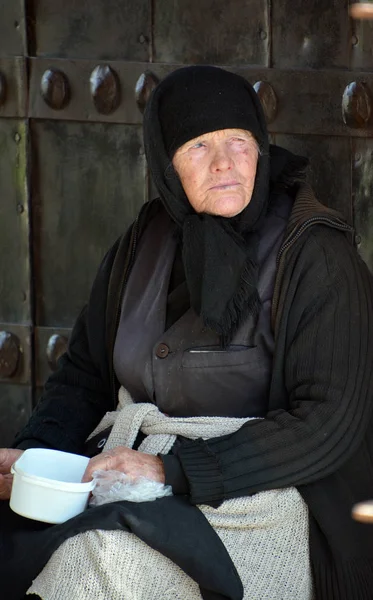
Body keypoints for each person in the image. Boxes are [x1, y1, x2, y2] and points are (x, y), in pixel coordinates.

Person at [1, 65, 373, 600]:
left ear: (262, 150)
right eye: (199, 145)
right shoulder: (142, 241)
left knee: (98, 568)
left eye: (239, 142)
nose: (224, 162)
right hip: (129, 489)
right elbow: (83, 377)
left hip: (256, 508)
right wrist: (35, 460)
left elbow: (326, 423)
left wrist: (170, 471)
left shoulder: (315, 256)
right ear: (166, 164)